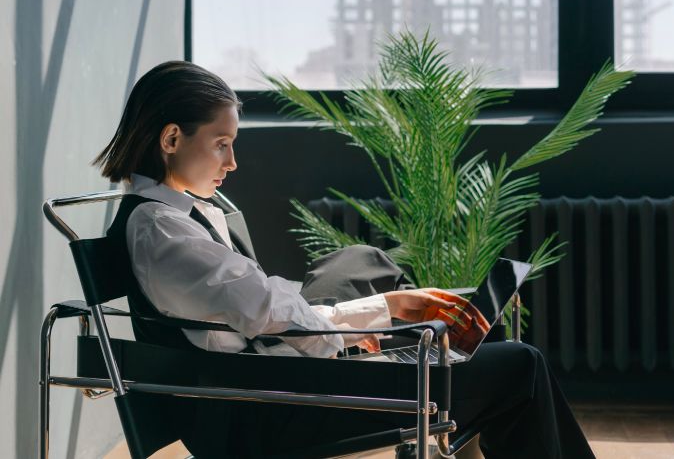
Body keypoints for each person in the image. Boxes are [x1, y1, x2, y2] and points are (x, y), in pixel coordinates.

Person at [94, 61, 595, 458]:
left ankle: (447, 386)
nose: (232, 162)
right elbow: (268, 312)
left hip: (266, 385)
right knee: (520, 367)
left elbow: (262, 310)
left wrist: (385, 308)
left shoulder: (176, 213)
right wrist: (358, 333)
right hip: (267, 410)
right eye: (221, 145)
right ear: (171, 139)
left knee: (371, 269)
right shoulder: (164, 228)